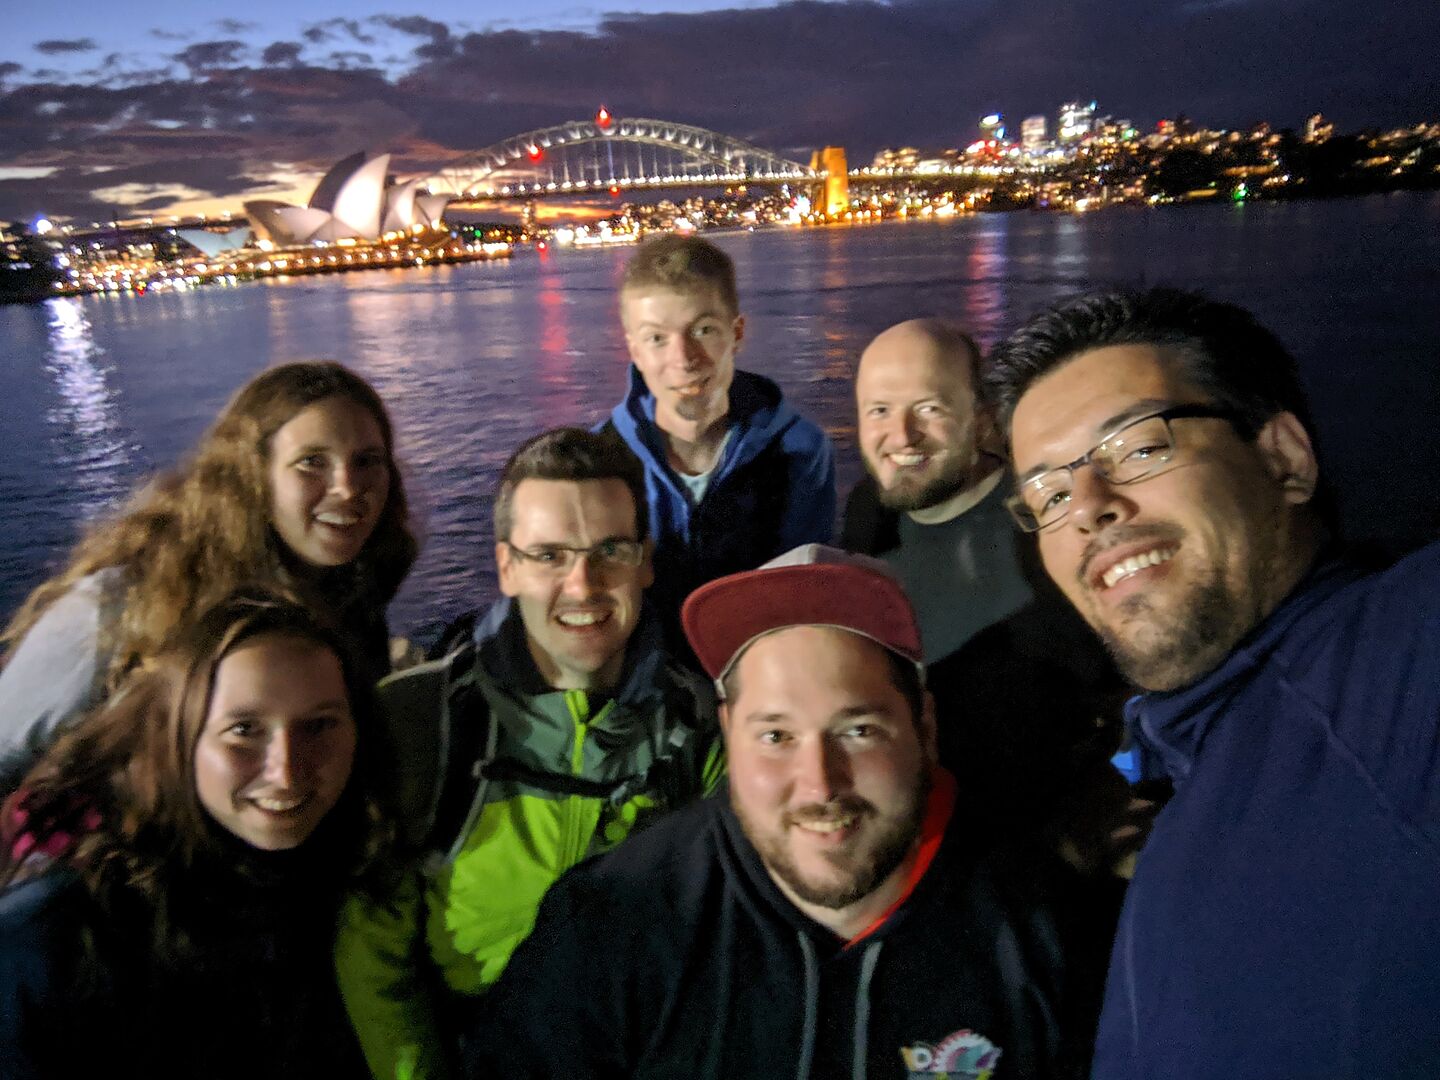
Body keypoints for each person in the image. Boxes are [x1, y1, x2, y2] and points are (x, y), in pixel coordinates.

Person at [986, 286, 1440, 1079]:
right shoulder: (1190, 755)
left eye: (1137, 446)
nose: (1087, 508)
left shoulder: (1398, 663)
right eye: (1049, 494)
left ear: (1284, 461)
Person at [464, 545, 1101, 1080]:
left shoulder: (1051, 933)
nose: (820, 786)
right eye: (776, 737)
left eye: (857, 730)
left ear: (924, 727)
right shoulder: (612, 925)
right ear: (727, 735)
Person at [336, 427, 725, 1080]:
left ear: (645, 561)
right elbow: (374, 957)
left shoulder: (704, 728)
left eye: (610, 550)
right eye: (549, 556)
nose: (583, 584)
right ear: (506, 566)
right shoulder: (423, 723)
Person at [0, 592, 393, 1079]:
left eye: (319, 726)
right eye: (244, 729)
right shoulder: (56, 945)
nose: (287, 772)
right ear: (182, 739)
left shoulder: (350, 881)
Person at [0, 361, 417, 791]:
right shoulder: (118, 607)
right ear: (252, 476)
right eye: (312, 462)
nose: (348, 487)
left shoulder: (352, 596)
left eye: (367, 461)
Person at [844, 318, 1134, 867]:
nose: (901, 437)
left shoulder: (1048, 525)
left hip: (1044, 850)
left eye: (928, 408)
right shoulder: (869, 515)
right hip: (927, 842)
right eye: (879, 411)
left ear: (981, 419)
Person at [601, 233, 836, 632]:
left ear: (737, 333)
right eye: (657, 338)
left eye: (704, 330)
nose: (684, 360)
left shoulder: (800, 451)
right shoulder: (600, 459)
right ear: (634, 350)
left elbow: (800, 594)